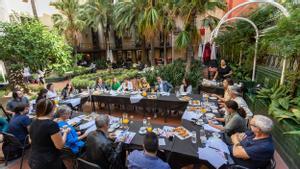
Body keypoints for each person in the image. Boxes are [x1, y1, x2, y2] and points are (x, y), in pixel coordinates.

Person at [29, 99, 70, 169]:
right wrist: (65, 133)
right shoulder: (51, 124)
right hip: (48, 161)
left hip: (34, 159)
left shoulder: (33, 122)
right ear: (51, 109)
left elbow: (30, 141)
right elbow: (60, 146)